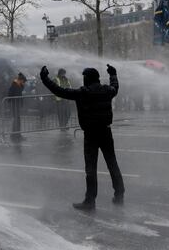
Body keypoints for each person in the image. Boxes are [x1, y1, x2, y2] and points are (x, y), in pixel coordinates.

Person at [40, 64, 125, 211]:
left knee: (91, 169)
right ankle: (119, 194)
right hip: (106, 132)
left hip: (91, 133)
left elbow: (60, 91)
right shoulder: (106, 90)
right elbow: (115, 87)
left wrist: (45, 78)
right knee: (112, 164)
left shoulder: (83, 93)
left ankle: (90, 200)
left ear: (87, 79)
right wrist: (113, 74)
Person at [6, 72, 27, 144]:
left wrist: (22, 85)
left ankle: (17, 134)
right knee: (16, 120)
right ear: (20, 80)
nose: (24, 83)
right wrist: (11, 101)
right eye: (23, 81)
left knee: (18, 120)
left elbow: (19, 92)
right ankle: (14, 135)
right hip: (14, 105)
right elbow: (9, 95)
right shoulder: (14, 85)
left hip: (17, 105)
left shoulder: (18, 85)